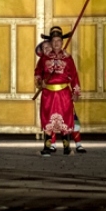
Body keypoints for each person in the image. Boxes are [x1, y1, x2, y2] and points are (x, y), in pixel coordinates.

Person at [35, 26, 85, 156]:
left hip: (64, 93)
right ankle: (47, 148)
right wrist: (40, 82)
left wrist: (76, 92)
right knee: (47, 120)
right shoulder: (44, 58)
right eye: (54, 41)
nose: (56, 43)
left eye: (59, 40)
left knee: (66, 119)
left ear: (62, 42)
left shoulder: (68, 58)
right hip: (48, 94)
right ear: (50, 42)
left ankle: (67, 148)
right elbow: (38, 72)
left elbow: (74, 76)